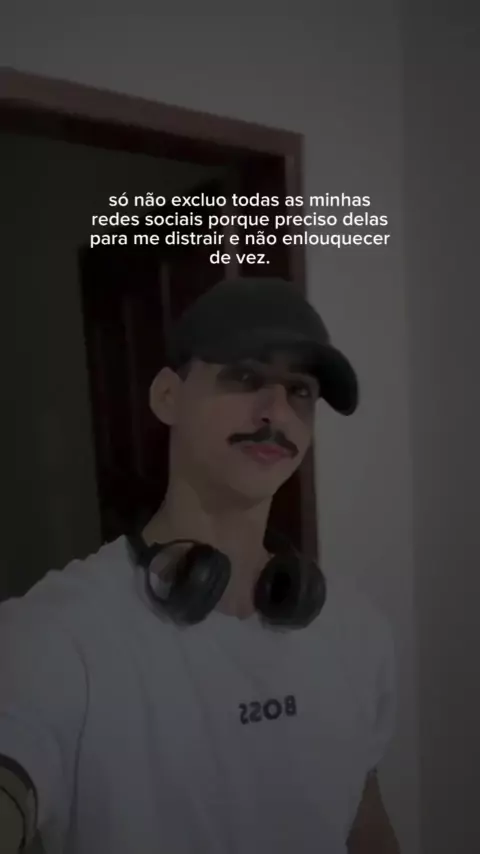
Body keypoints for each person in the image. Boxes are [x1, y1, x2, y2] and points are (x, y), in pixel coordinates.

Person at [0, 277, 400, 853]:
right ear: (168, 396)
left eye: (300, 391)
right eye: (245, 377)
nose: (277, 411)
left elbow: (367, 828)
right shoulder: (56, 635)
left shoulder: (356, 629)